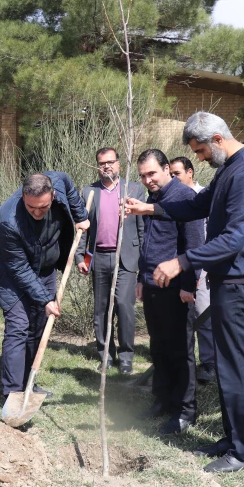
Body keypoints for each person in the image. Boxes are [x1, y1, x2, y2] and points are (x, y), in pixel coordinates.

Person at [125, 112, 244, 473]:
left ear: (218, 138)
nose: (201, 158)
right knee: (224, 365)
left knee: (233, 367)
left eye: (202, 151)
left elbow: (234, 238)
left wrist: (182, 262)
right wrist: (153, 208)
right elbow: (196, 204)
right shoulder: (230, 168)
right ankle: (233, 438)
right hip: (228, 280)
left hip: (239, 282)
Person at [0, 172, 89, 398]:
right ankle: (13, 392)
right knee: (19, 327)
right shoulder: (8, 221)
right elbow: (20, 269)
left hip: (44, 268)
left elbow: (67, 182)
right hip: (10, 276)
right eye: (31, 207)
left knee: (37, 327)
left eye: (42, 207)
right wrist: (45, 299)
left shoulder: (58, 182)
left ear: (53, 196)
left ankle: (29, 384)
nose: (36, 212)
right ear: (23, 196)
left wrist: (81, 215)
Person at [135, 149, 204, 435]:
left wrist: (189, 285)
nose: (148, 180)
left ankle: (185, 409)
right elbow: (148, 242)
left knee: (180, 349)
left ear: (166, 169)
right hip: (152, 285)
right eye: (142, 176)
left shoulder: (184, 198)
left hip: (176, 288)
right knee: (159, 345)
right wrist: (142, 277)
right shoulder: (153, 199)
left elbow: (195, 245)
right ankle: (162, 399)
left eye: (152, 173)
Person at [75, 147, 145, 374]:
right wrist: (80, 257)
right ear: (97, 165)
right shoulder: (89, 192)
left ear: (119, 164)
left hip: (125, 259)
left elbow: (143, 228)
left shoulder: (134, 189)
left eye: (111, 162)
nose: (106, 166)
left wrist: (144, 261)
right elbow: (83, 229)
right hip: (100, 258)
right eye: (102, 162)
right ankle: (105, 355)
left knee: (124, 306)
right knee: (101, 309)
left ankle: (126, 358)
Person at [169, 156, 215, 385]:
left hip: (202, 265)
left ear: (190, 172)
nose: (173, 178)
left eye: (176, 173)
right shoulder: (173, 198)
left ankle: (208, 363)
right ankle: (184, 361)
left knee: (202, 312)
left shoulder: (203, 197)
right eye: (171, 174)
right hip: (176, 265)